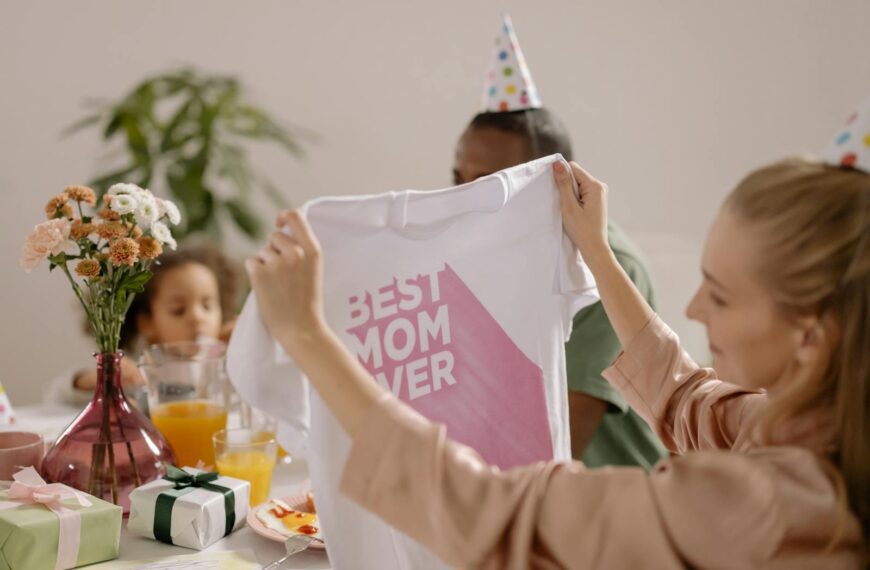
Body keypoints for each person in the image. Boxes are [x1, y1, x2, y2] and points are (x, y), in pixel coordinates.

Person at [244, 145, 868, 565]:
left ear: (812, 340)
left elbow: (500, 516)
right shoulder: (826, 429)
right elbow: (690, 398)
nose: (697, 308)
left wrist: (308, 336)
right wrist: (595, 251)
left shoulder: (762, 507)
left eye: (723, 296)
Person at [453, 15, 667, 468]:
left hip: (612, 502)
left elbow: (558, 440)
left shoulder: (610, 266)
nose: (464, 198)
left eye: (488, 183)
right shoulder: (478, 256)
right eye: (459, 178)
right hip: (516, 492)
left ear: (553, 180)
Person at [47, 246, 241, 406]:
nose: (198, 317)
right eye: (178, 310)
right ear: (146, 323)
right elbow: (56, 397)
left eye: (207, 306)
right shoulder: (140, 371)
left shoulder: (229, 361)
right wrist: (90, 380)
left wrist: (250, 347)